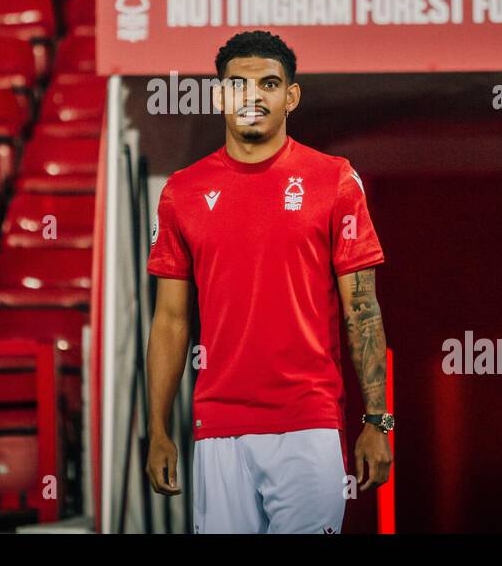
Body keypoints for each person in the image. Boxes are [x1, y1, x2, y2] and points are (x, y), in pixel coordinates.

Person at [144, 29, 394, 533]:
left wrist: (377, 420)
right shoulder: (182, 192)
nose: (252, 97)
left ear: (291, 96)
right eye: (237, 85)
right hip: (216, 428)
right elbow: (170, 321)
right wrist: (157, 430)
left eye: (269, 85)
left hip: (309, 424)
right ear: (219, 95)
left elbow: (361, 309)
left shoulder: (335, 179)